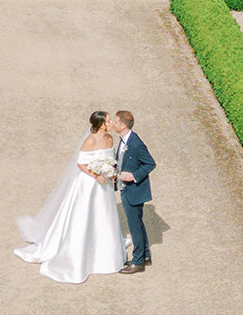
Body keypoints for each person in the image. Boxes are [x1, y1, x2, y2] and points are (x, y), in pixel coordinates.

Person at [12, 109, 127, 283]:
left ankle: (106, 252)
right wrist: (96, 175)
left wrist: (110, 172)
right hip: (89, 184)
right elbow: (81, 163)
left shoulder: (110, 139)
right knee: (85, 216)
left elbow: (111, 160)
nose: (111, 123)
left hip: (105, 186)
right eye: (108, 120)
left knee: (104, 215)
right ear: (100, 124)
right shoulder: (90, 140)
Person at [110, 109, 156, 275]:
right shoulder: (124, 140)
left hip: (134, 191)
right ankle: (144, 255)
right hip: (127, 189)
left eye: (115, 122)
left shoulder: (135, 142)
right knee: (138, 224)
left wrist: (134, 176)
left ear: (122, 125)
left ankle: (137, 262)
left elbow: (150, 163)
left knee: (134, 227)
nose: (113, 124)